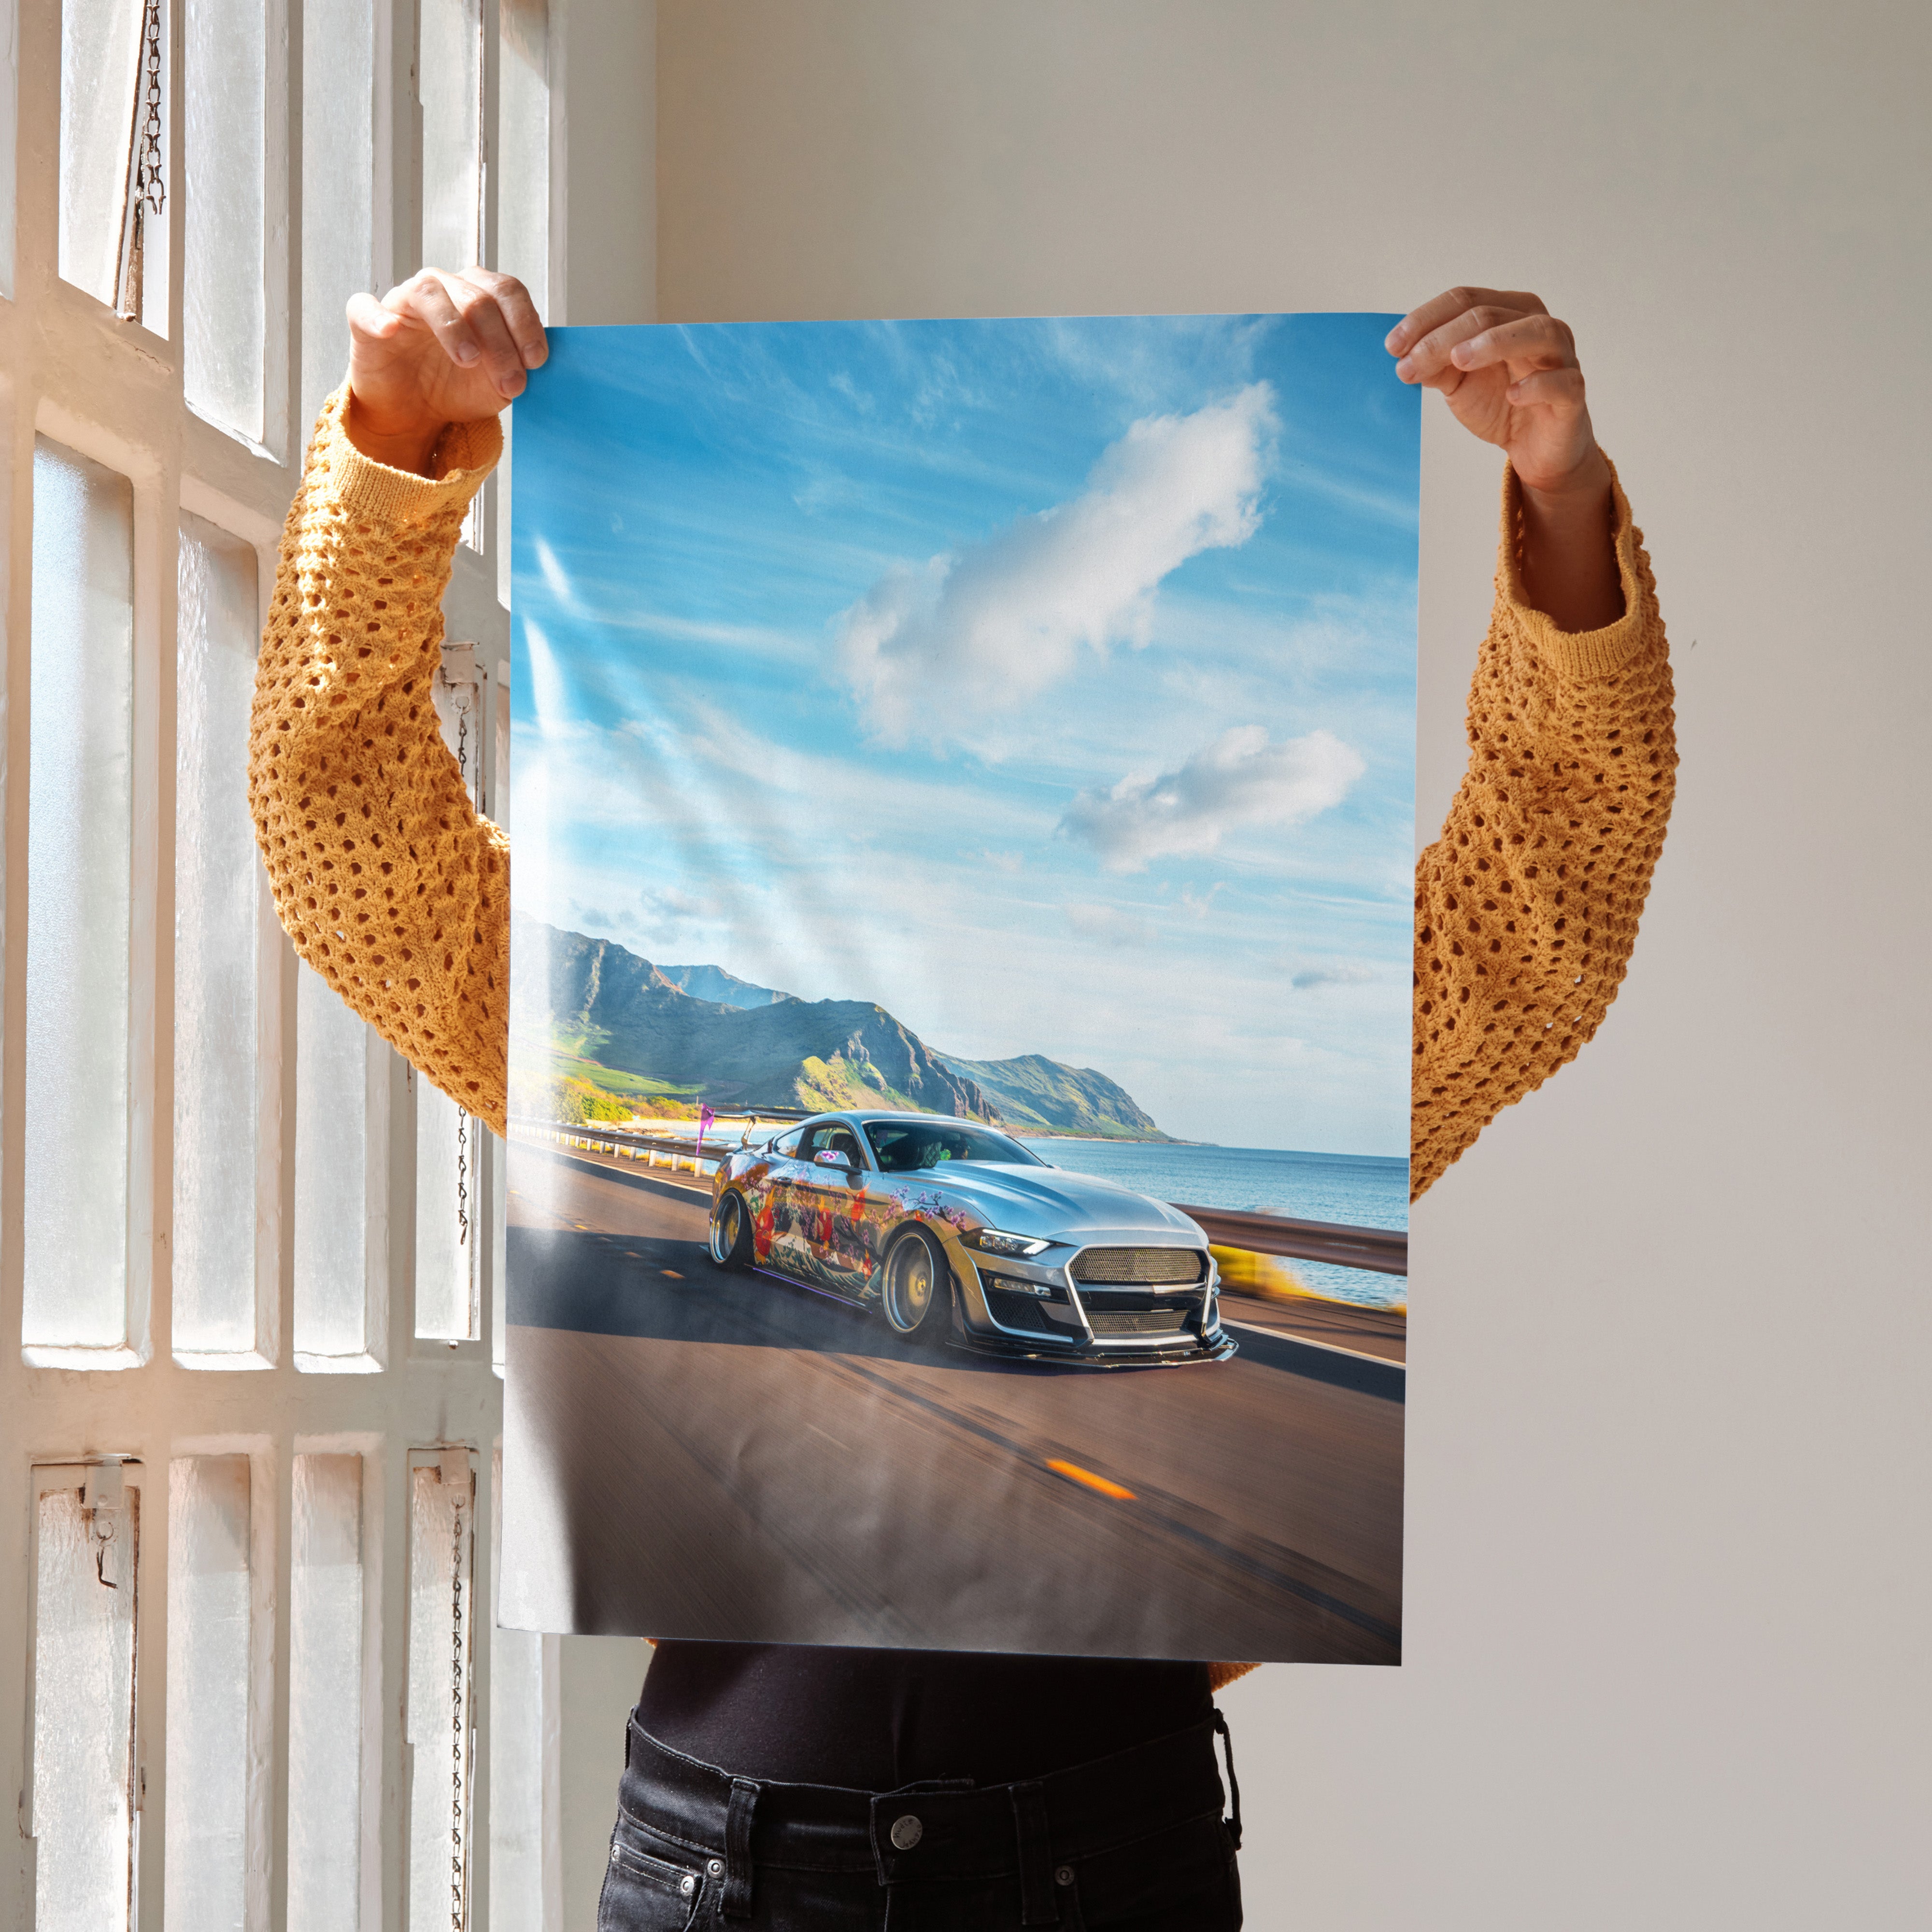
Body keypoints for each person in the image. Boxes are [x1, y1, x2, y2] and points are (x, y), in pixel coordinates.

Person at [249, 271, 1675, 1929]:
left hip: (1105, 1854)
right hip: (731, 1865)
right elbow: (345, 840)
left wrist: (1561, 499)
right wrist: (393, 447)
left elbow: (1543, 920)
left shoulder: (1204, 1101)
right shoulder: (591, 1032)